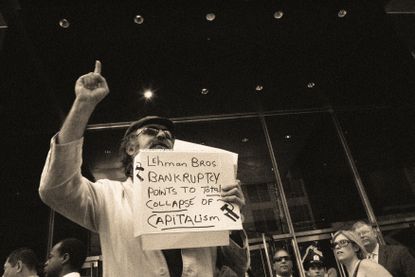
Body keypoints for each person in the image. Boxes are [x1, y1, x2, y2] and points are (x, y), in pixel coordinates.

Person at [39, 60, 250, 277]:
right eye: (151, 131)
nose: (162, 136)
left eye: (168, 136)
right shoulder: (108, 197)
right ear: (130, 147)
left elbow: (239, 267)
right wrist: (83, 104)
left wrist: (232, 219)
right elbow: (55, 189)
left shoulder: (203, 197)